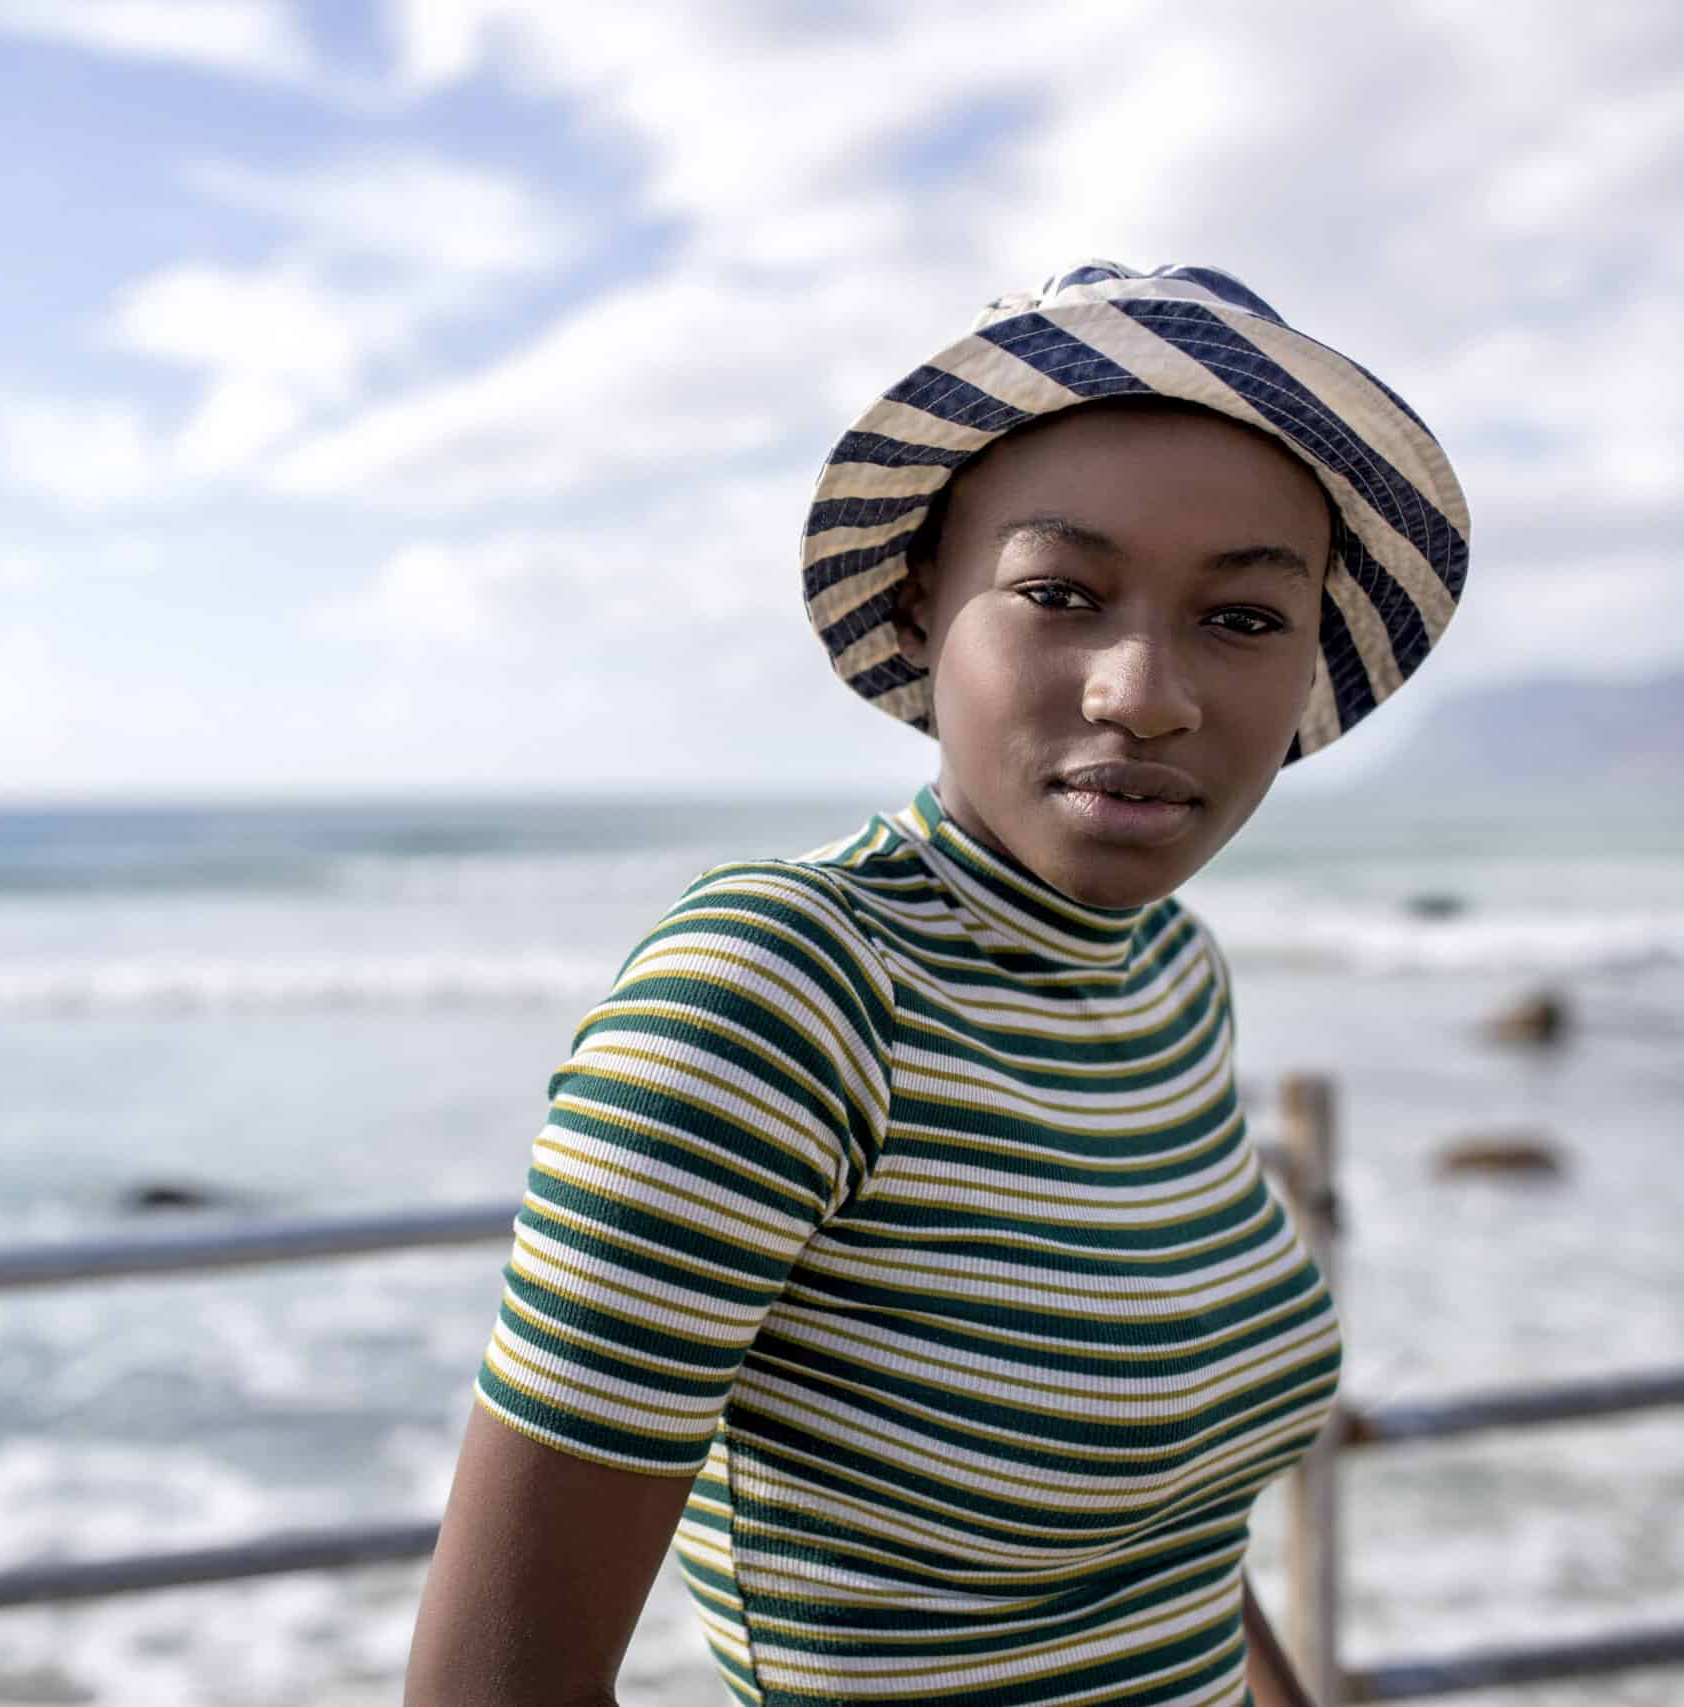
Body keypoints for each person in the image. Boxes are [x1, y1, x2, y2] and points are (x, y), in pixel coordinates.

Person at [405, 261, 1471, 1706]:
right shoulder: (780, 998)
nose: (1145, 691)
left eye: (1242, 618)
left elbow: (1174, 1537)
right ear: (920, 608)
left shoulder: (1168, 974)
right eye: (1059, 592)